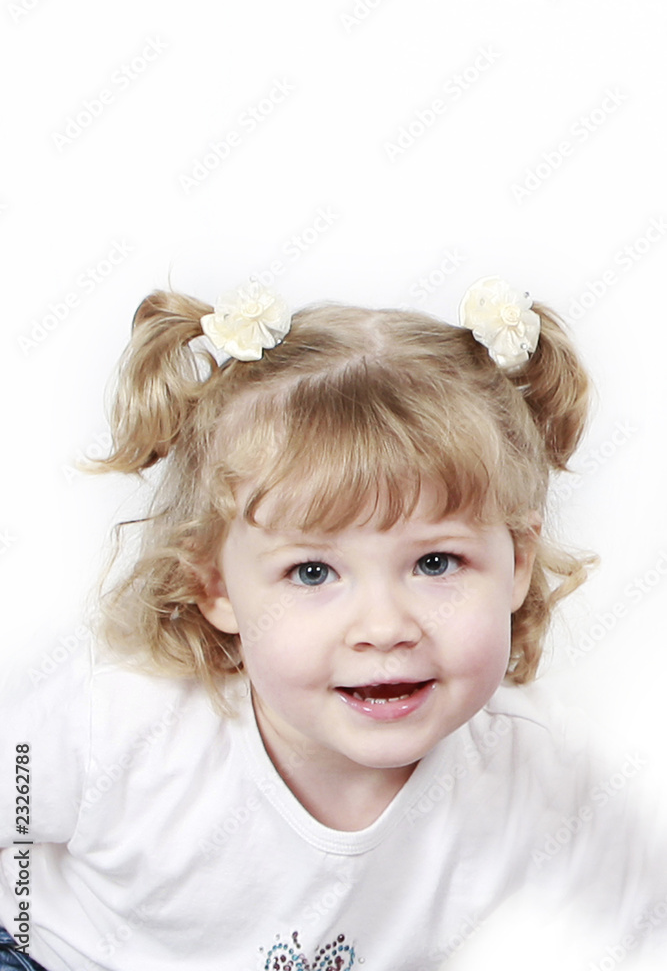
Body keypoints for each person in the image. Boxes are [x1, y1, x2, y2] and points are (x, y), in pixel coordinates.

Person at [1, 277, 665, 970]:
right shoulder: (114, 722)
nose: (383, 627)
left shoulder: (531, 766)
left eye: (436, 562)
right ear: (214, 585)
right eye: (312, 573)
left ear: (517, 561)